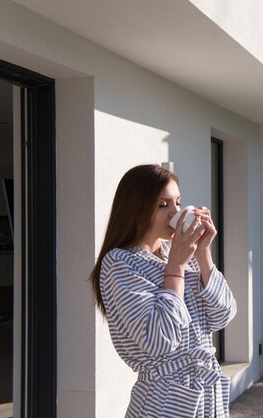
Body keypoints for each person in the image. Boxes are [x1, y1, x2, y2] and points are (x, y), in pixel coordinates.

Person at [89, 164, 237, 417]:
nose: (176, 213)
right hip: (164, 399)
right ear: (136, 209)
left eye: (178, 203)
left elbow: (222, 316)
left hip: (207, 393)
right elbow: (159, 341)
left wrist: (202, 252)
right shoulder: (120, 262)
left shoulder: (178, 251)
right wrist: (176, 267)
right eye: (163, 205)